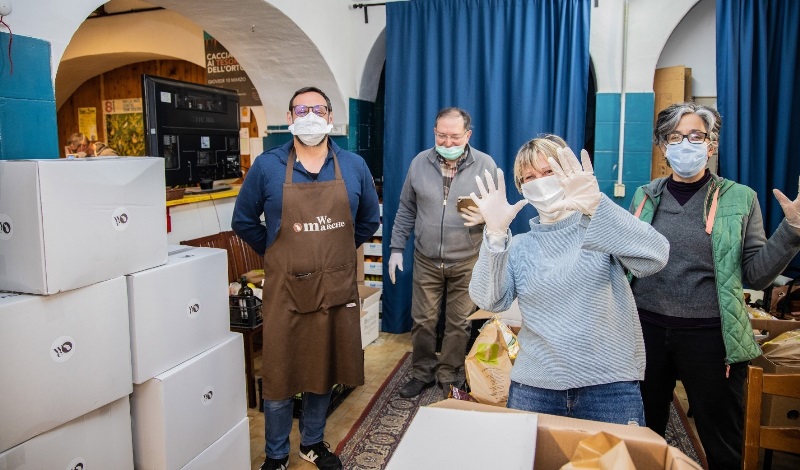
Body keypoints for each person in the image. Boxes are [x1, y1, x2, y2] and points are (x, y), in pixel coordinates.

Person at [629, 102, 800, 469]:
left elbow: (755, 274)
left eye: (696, 136)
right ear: (662, 146)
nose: (685, 144)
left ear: (711, 144)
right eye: (675, 137)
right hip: (646, 330)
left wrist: (792, 231)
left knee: (722, 439)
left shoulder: (741, 197)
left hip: (710, 335)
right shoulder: (645, 195)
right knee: (645, 434)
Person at [467, 136, 669, 425]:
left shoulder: (600, 228)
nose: (540, 182)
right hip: (535, 386)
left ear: (567, 174)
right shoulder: (521, 245)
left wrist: (598, 206)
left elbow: (656, 256)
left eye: (548, 172)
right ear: (522, 189)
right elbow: (489, 299)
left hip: (609, 386)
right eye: (529, 177)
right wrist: (496, 234)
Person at [231, 86, 381, 470]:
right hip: (285, 289)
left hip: (334, 287)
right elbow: (243, 221)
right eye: (302, 109)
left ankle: (312, 443)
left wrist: (336, 251)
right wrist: (276, 250)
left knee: (323, 369)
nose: (310, 115)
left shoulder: (353, 165)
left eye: (318, 108)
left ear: (331, 118)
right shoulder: (267, 166)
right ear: (289, 117)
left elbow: (367, 221)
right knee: (280, 374)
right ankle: (277, 454)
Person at [388, 107, 497, 399]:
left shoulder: (485, 165)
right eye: (441, 135)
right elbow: (406, 208)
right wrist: (396, 248)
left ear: (468, 135)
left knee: (459, 323)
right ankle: (422, 372)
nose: (447, 143)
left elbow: (499, 212)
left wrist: (486, 216)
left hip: (467, 259)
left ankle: (449, 374)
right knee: (423, 320)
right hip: (426, 258)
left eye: (454, 136)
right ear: (434, 132)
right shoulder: (419, 163)